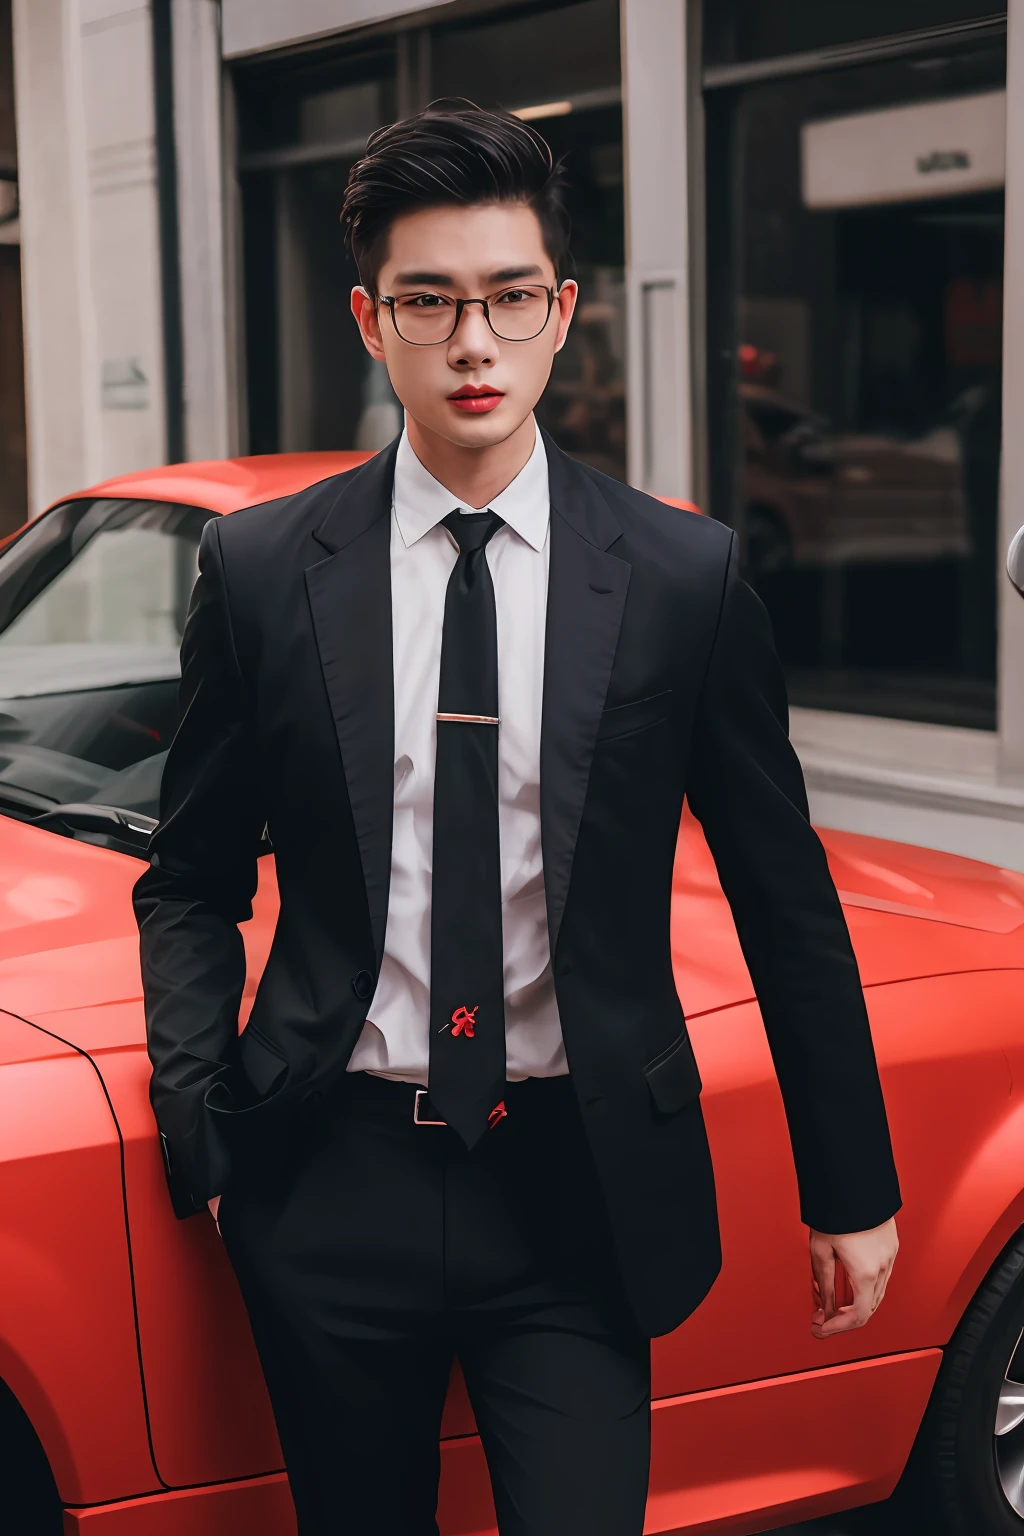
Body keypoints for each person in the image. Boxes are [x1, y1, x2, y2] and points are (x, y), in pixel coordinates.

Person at [134, 102, 901, 1536]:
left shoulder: (682, 575)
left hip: (578, 1190)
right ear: (373, 321)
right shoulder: (260, 570)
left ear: (562, 311)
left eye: (506, 299)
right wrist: (208, 1124)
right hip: (330, 1175)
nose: (471, 343)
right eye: (430, 302)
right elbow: (186, 878)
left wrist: (849, 1182)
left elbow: (784, 898)